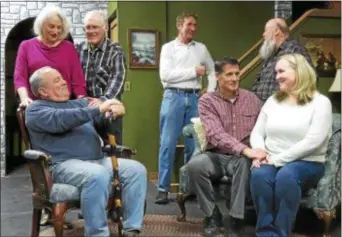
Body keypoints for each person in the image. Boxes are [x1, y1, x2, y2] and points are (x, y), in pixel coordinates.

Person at [25, 66, 147, 237]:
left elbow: (103, 113)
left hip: (97, 160)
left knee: (136, 170)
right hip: (63, 166)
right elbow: (62, 120)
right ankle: (97, 234)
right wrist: (97, 109)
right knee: (97, 175)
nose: (64, 82)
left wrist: (115, 109)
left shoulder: (80, 103)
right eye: (57, 80)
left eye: (62, 78)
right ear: (43, 91)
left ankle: (131, 229)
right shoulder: (35, 110)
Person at [249, 53, 332, 237]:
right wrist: (260, 153)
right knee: (259, 174)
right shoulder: (273, 101)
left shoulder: (321, 103)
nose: (276, 76)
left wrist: (277, 159)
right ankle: (264, 232)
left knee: (287, 175)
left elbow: (314, 141)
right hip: (270, 157)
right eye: (275, 72)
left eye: (281, 71)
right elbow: (257, 132)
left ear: (299, 72)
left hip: (308, 162)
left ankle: (281, 233)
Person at [187, 57, 264, 237]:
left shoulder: (252, 99)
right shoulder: (207, 101)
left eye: (237, 74)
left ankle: (237, 219)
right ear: (218, 76)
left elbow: (263, 127)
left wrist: (253, 150)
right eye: (229, 74)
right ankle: (212, 215)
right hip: (216, 155)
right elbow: (215, 133)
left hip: (241, 157)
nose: (234, 78)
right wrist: (244, 149)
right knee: (195, 166)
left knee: (245, 162)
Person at [156, 12, 216, 204]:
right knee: (167, 144)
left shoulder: (201, 48)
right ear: (179, 25)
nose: (193, 28)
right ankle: (162, 189)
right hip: (173, 97)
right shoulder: (168, 48)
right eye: (189, 24)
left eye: (195, 25)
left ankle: (188, 188)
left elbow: (213, 71)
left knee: (195, 145)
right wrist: (193, 71)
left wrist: (211, 91)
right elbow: (166, 76)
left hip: (195, 97)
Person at [14, 5, 86, 107]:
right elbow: (19, 77)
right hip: (37, 105)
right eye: (51, 26)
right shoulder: (26, 46)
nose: (56, 31)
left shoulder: (69, 48)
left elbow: (78, 80)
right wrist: (24, 98)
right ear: (42, 25)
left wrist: (81, 102)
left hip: (64, 104)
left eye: (59, 27)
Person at [76, 10, 126, 144]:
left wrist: (103, 101)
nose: (91, 31)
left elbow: (118, 79)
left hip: (108, 110)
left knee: (112, 151)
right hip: (84, 110)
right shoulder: (77, 49)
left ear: (105, 27)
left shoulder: (115, 51)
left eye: (95, 27)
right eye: (88, 27)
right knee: (85, 149)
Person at [252, 18, 314, 102]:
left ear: (276, 31)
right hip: (265, 107)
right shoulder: (271, 54)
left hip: (282, 107)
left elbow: (309, 79)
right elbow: (258, 81)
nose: (263, 34)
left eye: (266, 30)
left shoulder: (295, 50)